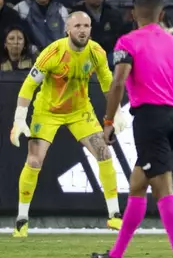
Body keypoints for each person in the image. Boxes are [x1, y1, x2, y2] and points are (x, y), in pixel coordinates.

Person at [91, 0, 173, 258]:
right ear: (161, 15)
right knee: (137, 184)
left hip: (149, 120)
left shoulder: (127, 42)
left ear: (133, 15)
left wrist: (109, 121)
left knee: (163, 188)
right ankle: (115, 255)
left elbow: (118, 82)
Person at [10, 12, 123, 237]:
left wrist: (117, 114)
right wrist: (19, 119)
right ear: (67, 30)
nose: (83, 30)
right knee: (34, 160)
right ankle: (22, 219)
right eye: (78, 25)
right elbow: (28, 86)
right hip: (47, 112)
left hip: (80, 111)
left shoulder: (97, 52)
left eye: (87, 25)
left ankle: (115, 216)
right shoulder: (52, 52)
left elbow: (108, 86)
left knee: (104, 153)